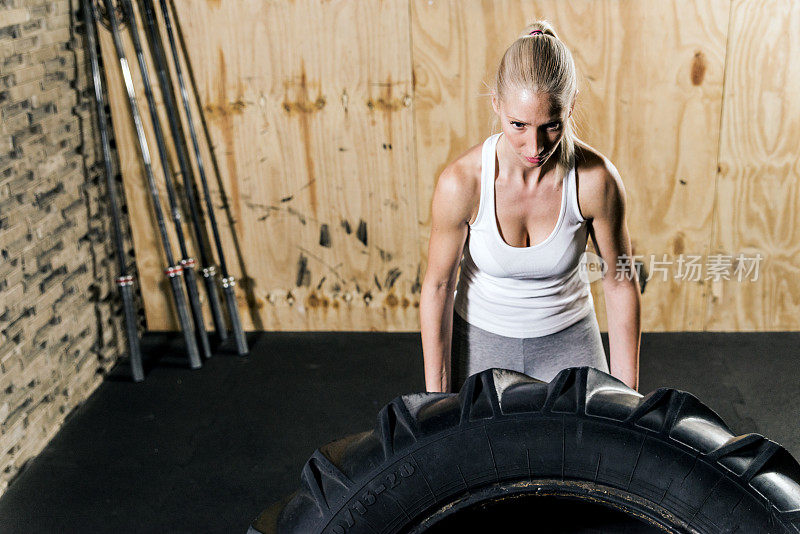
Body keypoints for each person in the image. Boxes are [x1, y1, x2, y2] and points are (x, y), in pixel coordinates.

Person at [420, 21, 641, 394]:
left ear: (570, 109)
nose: (534, 146)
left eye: (551, 126)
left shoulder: (596, 181)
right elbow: (439, 286)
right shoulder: (463, 182)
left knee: (592, 451)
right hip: (480, 341)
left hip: (570, 340)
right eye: (518, 124)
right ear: (497, 105)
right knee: (478, 452)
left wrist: (630, 402)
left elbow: (620, 281)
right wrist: (435, 400)